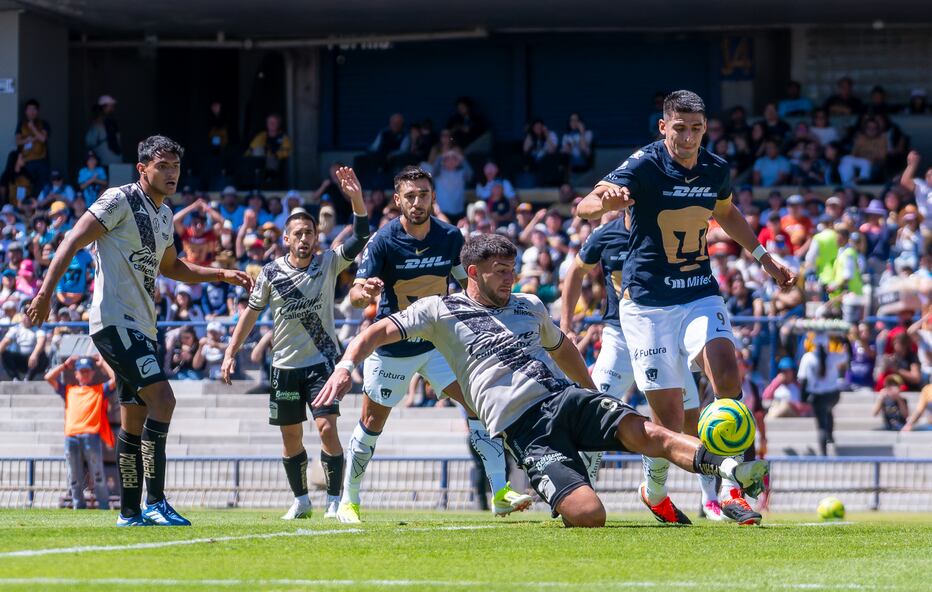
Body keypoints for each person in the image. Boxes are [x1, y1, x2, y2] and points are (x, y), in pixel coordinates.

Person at [314, 234, 769, 527]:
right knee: (589, 516)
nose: (510, 279)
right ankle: (553, 486)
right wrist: (344, 367)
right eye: (500, 272)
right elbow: (375, 331)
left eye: (513, 270)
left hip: (565, 399)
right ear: (472, 273)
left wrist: (590, 392)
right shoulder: (439, 310)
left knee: (650, 432)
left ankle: (732, 472)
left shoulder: (529, 304)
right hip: (525, 429)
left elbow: (564, 347)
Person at [576, 90, 796, 526]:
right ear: (664, 127)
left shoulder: (715, 168)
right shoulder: (643, 165)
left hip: (698, 291)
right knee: (671, 421)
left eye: (697, 129)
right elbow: (585, 205)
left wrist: (763, 257)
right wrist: (607, 201)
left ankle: (733, 490)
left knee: (727, 375)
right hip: (647, 306)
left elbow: (727, 212)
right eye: (680, 128)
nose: (689, 137)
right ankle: (653, 490)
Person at [25, 135, 252, 527]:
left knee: (134, 418)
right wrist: (45, 293)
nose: (171, 174)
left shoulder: (164, 214)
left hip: (144, 325)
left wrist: (219, 273)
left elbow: (172, 268)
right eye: (163, 166)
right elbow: (72, 239)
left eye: (175, 168)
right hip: (115, 321)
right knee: (164, 400)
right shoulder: (118, 199)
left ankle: (129, 512)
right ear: (142, 168)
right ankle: (156, 501)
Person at [339, 166, 526, 524]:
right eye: (409, 196)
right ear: (398, 201)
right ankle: (349, 500)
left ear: (433, 197)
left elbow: (466, 286)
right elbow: (356, 294)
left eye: (423, 194)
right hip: (394, 346)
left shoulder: (451, 237)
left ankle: (500, 493)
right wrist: (365, 293)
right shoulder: (383, 240)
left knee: (479, 405)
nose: (417, 202)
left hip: (440, 344)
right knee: (371, 422)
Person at [221, 167, 369, 520]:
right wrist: (230, 352)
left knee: (326, 427)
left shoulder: (328, 263)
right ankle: (301, 500)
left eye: (310, 233)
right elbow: (250, 315)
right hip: (284, 367)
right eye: (298, 233)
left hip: (321, 365)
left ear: (317, 238)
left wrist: (356, 200)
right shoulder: (271, 273)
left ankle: (335, 500)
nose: (305, 239)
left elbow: (361, 235)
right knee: (290, 439)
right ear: (286, 238)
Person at [560, 213, 719, 519]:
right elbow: (574, 273)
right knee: (593, 411)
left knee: (688, 418)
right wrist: (566, 323)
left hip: (660, 332)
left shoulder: (664, 227)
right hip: (619, 336)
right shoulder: (606, 234)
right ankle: (583, 493)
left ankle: (705, 496)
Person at [45, 355, 116, 510]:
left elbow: (116, 380)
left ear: (92, 373)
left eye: (87, 371)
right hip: (71, 436)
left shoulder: (99, 390)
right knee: (74, 476)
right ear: (76, 374)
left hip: (91, 435)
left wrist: (103, 362)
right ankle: (78, 506)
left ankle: (104, 506)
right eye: (81, 371)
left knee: (97, 474)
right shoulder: (69, 390)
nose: (84, 374)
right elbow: (48, 377)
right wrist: (65, 365)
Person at [798, 335, 847, 456]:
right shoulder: (833, 356)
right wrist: (844, 341)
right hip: (833, 395)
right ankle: (830, 436)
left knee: (821, 425)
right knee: (827, 411)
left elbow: (803, 379)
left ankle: (824, 453)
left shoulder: (807, 358)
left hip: (818, 396)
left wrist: (802, 398)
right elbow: (846, 356)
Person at [0, 312, 48, 380]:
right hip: (20, 360)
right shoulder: (16, 328)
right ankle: (15, 378)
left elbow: (41, 341)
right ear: (22, 317)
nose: (27, 318)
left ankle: (29, 378)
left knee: (42, 354)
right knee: (5, 354)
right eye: (26, 315)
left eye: (30, 316)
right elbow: (5, 341)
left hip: (34, 360)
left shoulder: (38, 328)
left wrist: (35, 355)